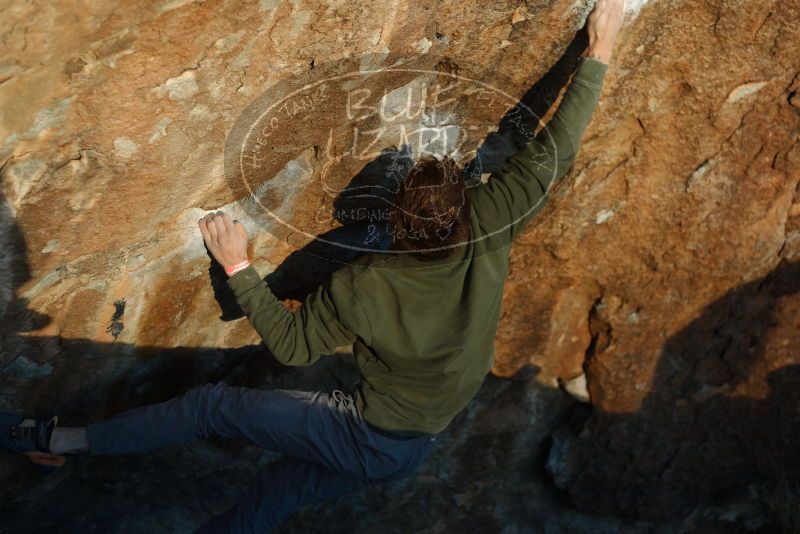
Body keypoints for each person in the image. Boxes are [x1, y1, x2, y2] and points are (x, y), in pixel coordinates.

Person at [0, 1, 625, 531]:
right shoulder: (495, 219)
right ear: (466, 207)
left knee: (211, 407)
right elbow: (557, 143)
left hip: (367, 434)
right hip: (411, 446)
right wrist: (599, 48)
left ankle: (56, 441)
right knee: (264, 504)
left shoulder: (368, 280)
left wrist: (240, 265)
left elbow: (295, 348)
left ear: (396, 224)